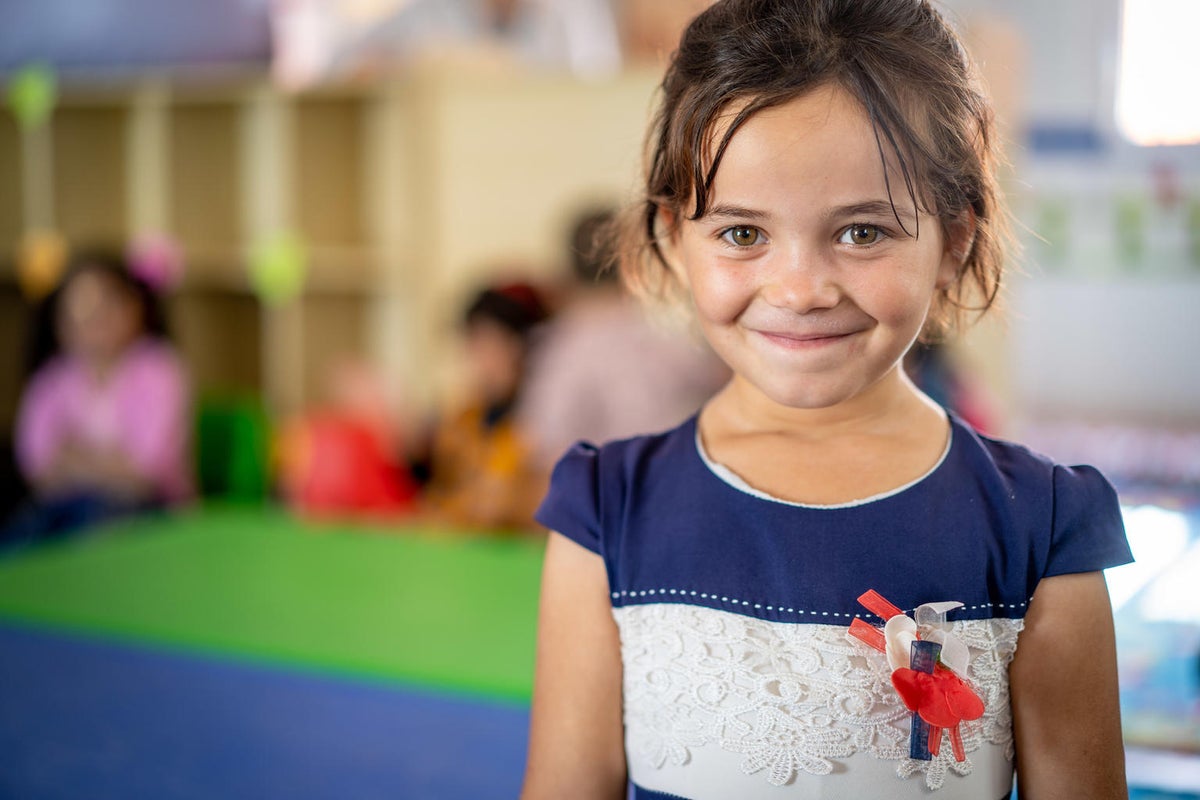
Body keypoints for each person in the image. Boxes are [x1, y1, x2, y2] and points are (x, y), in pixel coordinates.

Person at [521, 2, 1133, 799]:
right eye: (742, 233)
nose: (801, 290)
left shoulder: (1042, 526)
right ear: (675, 236)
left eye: (862, 232)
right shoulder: (607, 510)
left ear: (953, 240)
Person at [3, 251, 192, 551]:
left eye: (107, 304)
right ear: (59, 320)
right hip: (62, 506)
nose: (94, 320)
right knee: (21, 539)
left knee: (94, 536)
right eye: (79, 308)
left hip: (150, 511)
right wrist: (112, 461)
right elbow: (36, 464)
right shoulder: (52, 379)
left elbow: (147, 470)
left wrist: (73, 456)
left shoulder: (157, 369)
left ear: (134, 307)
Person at [518, 207, 728, 472]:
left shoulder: (561, 347)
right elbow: (726, 387)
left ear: (568, 271)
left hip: (603, 497)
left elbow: (540, 443)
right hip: (682, 484)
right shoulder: (673, 328)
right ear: (629, 261)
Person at [419, 282, 550, 532]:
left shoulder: (540, 428)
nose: (481, 361)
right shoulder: (463, 420)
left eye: (492, 345)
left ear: (521, 348)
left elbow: (507, 509)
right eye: (474, 345)